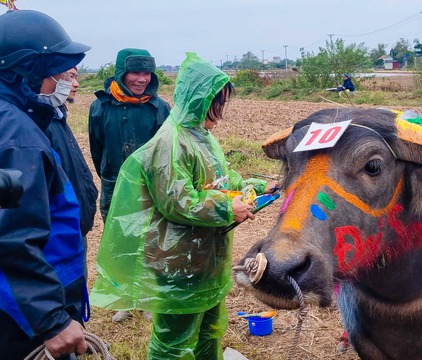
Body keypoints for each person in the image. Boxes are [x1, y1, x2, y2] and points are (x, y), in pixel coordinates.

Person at [90, 52, 277, 359]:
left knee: (208, 333)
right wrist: (229, 209)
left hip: (206, 258)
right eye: (218, 102)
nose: (221, 111)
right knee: (173, 344)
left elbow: (221, 180)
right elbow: (178, 202)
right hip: (178, 263)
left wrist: (257, 188)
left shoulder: (202, 137)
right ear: (201, 99)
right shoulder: (171, 142)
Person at [0, 10, 90, 359]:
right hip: (21, 319)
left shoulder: (17, 120)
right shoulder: (16, 136)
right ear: (26, 70)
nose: (63, 80)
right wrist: (50, 320)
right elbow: (11, 237)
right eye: (54, 70)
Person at [88, 48, 170, 322]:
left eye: (146, 73)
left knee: (151, 242)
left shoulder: (160, 108)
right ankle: (124, 299)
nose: (141, 79)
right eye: (135, 72)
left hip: (151, 187)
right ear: (122, 73)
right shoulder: (100, 107)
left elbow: (167, 152)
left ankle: (147, 298)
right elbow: (96, 149)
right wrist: (113, 176)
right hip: (115, 185)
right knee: (120, 242)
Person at [32, 67, 99, 259]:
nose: (76, 84)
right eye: (69, 76)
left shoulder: (57, 115)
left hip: (73, 229)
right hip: (57, 239)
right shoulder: (38, 122)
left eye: (76, 77)